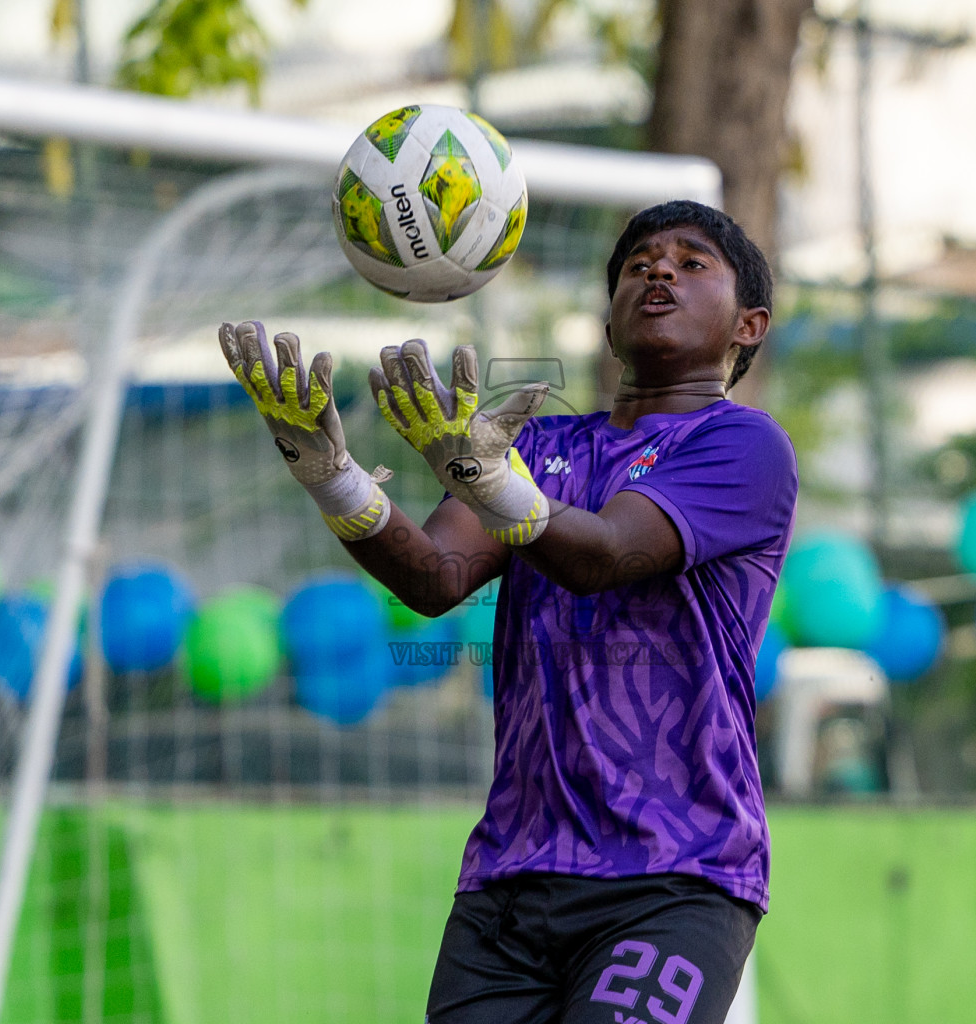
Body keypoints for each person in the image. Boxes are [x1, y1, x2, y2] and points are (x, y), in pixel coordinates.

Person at [219, 199, 799, 1024]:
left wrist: (488, 480)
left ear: (749, 325)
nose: (658, 269)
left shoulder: (743, 445)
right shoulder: (540, 451)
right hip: (509, 883)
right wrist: (332, 476)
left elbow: (602, 555)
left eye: (691, 260)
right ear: (608, 326)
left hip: (674, 875)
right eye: (638, 264)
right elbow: (436, 579)